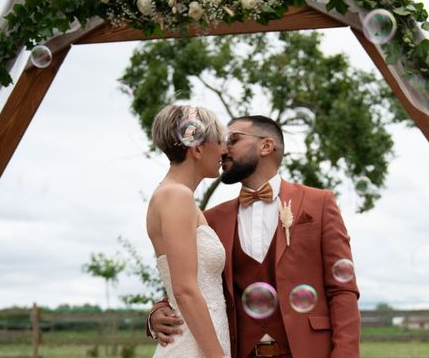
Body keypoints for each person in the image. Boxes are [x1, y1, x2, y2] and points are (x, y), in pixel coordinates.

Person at [149, 115, 361, 357]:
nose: (223, 148)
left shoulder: (319, 203)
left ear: (266, 146)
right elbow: (189, 280)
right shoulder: (211, 218)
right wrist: (158, 311)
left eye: (233, 139)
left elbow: (342, 289)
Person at [146, 104, 231, 358]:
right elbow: (184, 290)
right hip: (196, 347)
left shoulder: (178, 197)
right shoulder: (176, 195)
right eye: (220, 141)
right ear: (198, 147)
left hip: (203, 340)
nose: (224, 150)